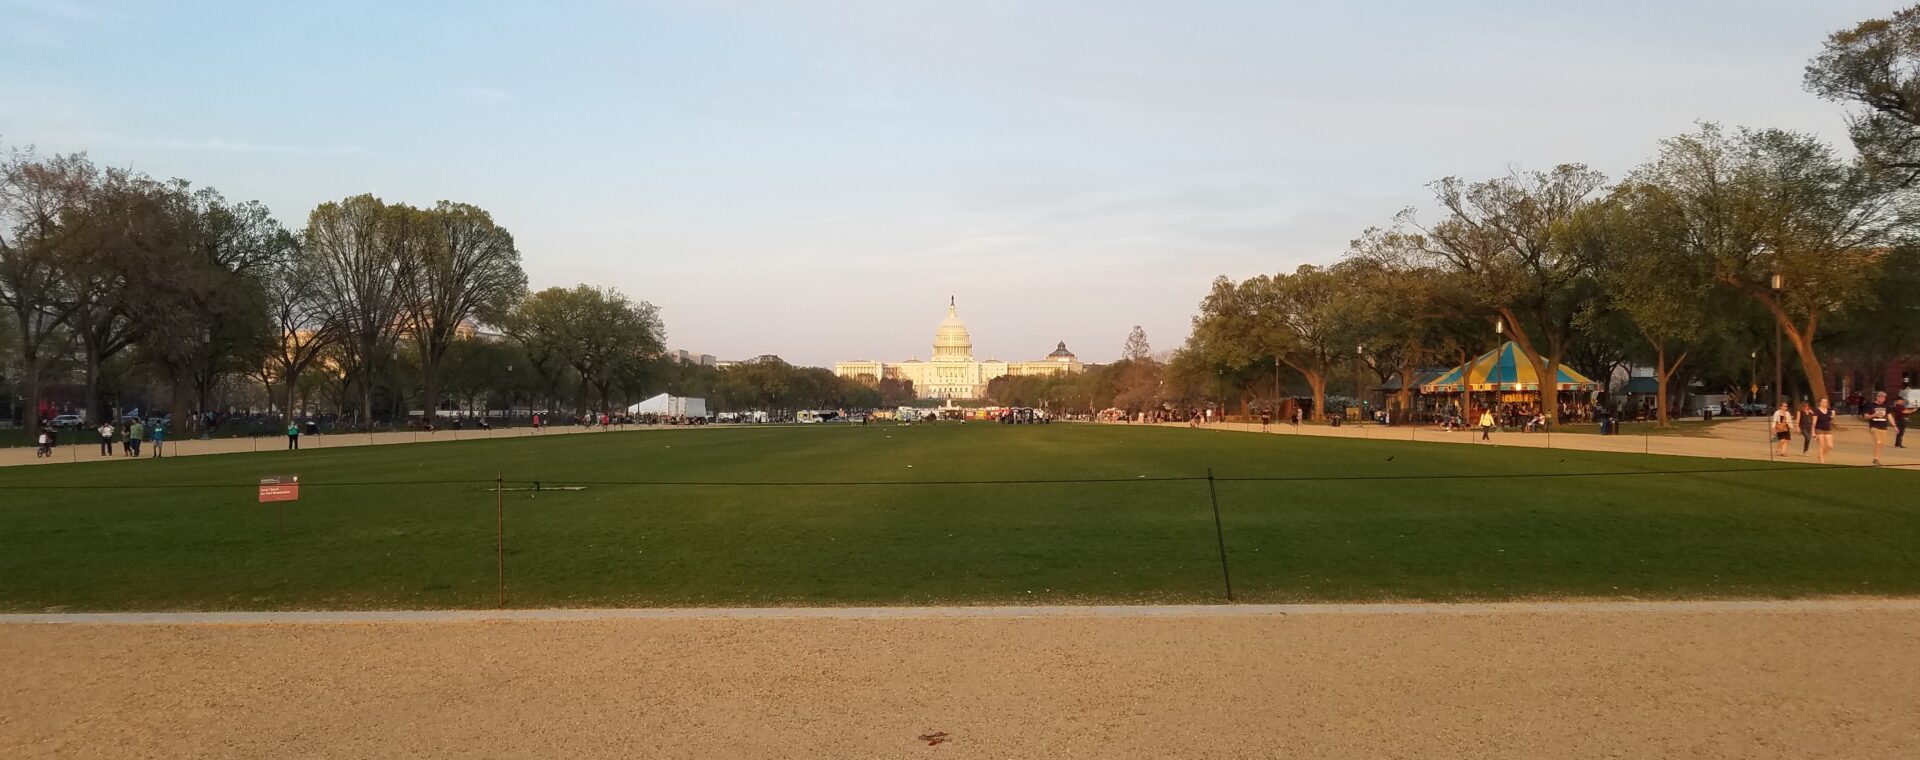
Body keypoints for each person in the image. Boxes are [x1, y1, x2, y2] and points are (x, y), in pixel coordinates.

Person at [1864, 391, 1893, 465]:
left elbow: (1889, 416)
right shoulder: (1871, 405)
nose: (1882, 398)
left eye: (1883, 397)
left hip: (1883, 427)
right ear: (1877, 397)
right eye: (1880, 397)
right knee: (1878, 442)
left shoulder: (1886, 406)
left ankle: (1877, 459)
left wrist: (1894, 426)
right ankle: (1876, 460)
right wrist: (1874, 415)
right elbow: (1866, 416)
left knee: (1881, 444)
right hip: (1874, 426)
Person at [1811, 398, 1836, 464]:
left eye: (1826, 402)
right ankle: (1822, 460)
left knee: (1830, 445)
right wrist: (1813, 432)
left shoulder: (1829, 410)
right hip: (1819, 429)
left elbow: (1829, 420)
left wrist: (1833, 416)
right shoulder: (1817, 410)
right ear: (1820, 403)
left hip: (1827, 429)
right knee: (1822, 444)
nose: (1826, 403)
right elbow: (1814, 422)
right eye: (1824, 402)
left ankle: (1821, 455)